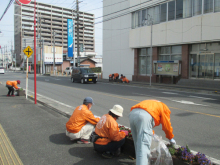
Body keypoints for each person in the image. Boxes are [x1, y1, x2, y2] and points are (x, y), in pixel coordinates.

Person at [129, 100, 176, 165]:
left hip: (132, 114)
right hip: (144, 117)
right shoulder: (164, 108)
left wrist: (151, 133)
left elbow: (147, 125)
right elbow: (166, 126)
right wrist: (170, 138)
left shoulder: (152, 103)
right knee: (143, 147)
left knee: (137, 144)